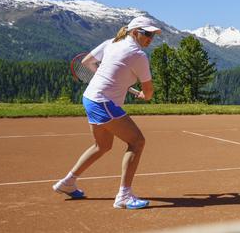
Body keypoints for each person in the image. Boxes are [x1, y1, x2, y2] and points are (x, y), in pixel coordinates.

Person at [52, 16, 161, 209]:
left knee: (102, 146)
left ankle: (68, 182)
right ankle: (124, 196)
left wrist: (105, 74)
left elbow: (87, 62)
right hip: (103, 102)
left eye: (152, 35)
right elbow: (149, 92)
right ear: (135, 32)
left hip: (91, 98)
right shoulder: (138, 55)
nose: (150, 38)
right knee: (137, 142)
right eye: (146, 34)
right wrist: (144, 95)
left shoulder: (111, 43)